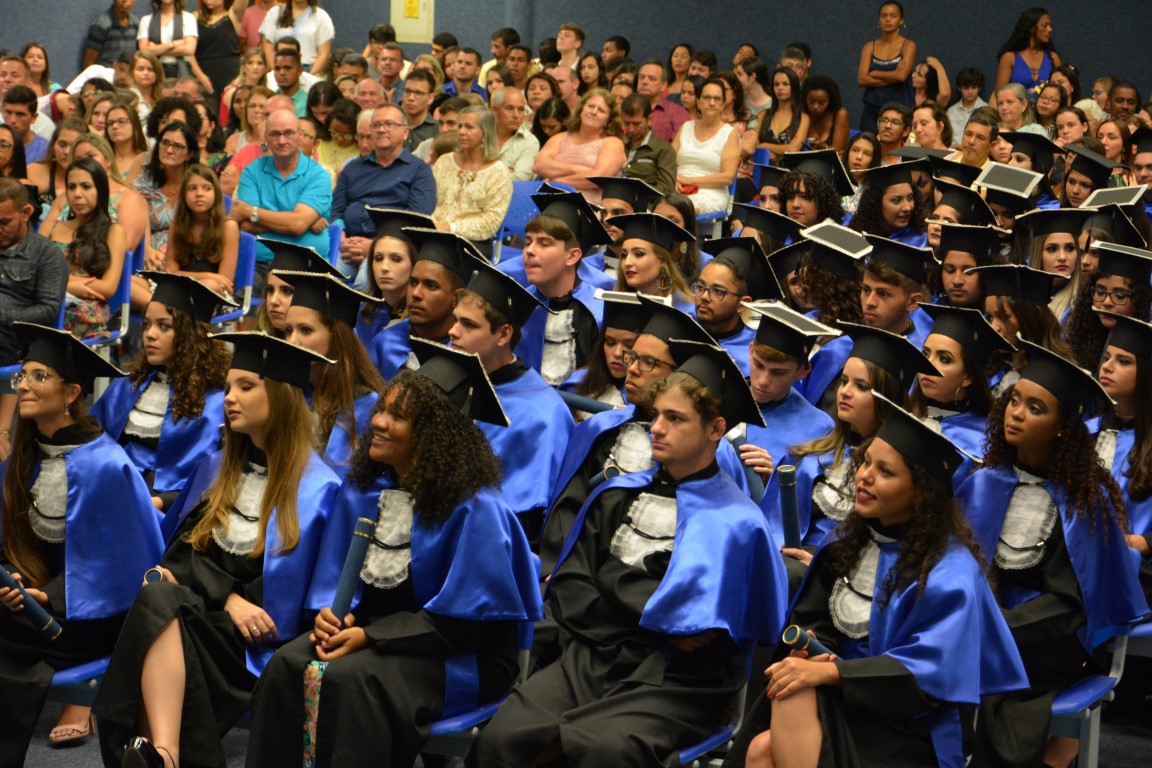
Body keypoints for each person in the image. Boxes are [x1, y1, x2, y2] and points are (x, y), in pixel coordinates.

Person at [471, 342, 787, 768]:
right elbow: (572, 584)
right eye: (657, 415)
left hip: (675, 680)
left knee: (605, 749)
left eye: (675, 419)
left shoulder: (738, 523)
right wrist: (650, 616)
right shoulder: (616, 493)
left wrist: (616, 589)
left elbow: (705, 635)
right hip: (592, 655)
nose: (657, 428)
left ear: (715, 429)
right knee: (502, 739)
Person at [246, 339, 541, 768]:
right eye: (381, 409)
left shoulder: (476, 509)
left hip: (460, 654)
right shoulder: (366, 491)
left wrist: (371, 637)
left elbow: (467, 621)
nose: (378, 422)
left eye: (397, 416)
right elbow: (338, 583)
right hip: (375, 636)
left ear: (434, 436)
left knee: (351, 679)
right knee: (286, 664)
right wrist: (336, 617)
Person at [727, 394, 1029, 768]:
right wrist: (813, 648)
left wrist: (833, 672)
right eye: (866, 461)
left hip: (909, 722)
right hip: (838, 694)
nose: (864, 476)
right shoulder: (849, 542)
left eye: (885, 472)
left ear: (921, 494)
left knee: (766, 745)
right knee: (773, 725)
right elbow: (814, 620)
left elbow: (924, 676)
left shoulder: (951, 574)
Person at [92, 331, 340, 768]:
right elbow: (179, 554)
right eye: (227, 387)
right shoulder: (216, 467)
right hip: (202, 619)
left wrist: (233, 604)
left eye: (246, 386)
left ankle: (158, 752)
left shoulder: (320, 490)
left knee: (157, 609)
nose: (229, 398)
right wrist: (228, 598)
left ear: (281, 397)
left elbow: (297, 602)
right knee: (158, 597)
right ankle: (165, 754)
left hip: (250, 648)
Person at [960, 339, 1147, 768]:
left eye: (1035, 408)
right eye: (1014, 401)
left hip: (1043, 640)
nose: (1016, 413)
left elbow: (1068, 603)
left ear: (1062, 427)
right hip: (978, 622)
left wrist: (994, 628)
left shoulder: (1085, 502)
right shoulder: (983, 482)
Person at [0, 324, 162, 761]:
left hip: (91, 616)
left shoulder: (106, 464)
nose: (23, 386)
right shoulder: (27, 456)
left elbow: (115, 568)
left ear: (71, 393)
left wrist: (47, 597)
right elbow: (10, 542)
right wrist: (14, 580)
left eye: (39, 376)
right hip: (33, 605)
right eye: (22, 375)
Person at [448, 252, 575, 540]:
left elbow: (524, 518)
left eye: (469, 324)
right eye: (455, 320)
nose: (452, 332)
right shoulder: (446, 380)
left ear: (504, 334)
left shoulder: (543, 414)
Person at [90, 273, 233, 510]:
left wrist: (161, 503)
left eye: (164, 326)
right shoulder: (129, 385)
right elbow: (93, 442)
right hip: (114, 484)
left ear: (191, 335)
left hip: (170, 505)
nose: (150, 334)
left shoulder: (216, 402)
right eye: (146, 324)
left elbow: (214, 479)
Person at [277, 270, 385, 478]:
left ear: (336, 337)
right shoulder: (291, 391)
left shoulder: (364, 404)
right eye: (288, 331)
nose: (292, 341)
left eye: (305, 330)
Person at [0, 179, 68, 458]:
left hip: (18, 335)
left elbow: (48, 310)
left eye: (4, 222)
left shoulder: (47, 255)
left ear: (26, 212)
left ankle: (2, 430)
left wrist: (5, 316)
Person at [231, 108, 331, 289]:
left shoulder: (318, 175)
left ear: (300, 136)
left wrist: (251, 212)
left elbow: (297, 225)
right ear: (266, 138)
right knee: (239, 299)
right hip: (260, 264)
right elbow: (246, 225)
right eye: (275, 134)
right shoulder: (252, 172)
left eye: (288, 133)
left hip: (307, 266)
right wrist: (299, 220)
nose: (282, 140)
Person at [1093, 314, 1152, 608]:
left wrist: (1143, 543)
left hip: (1140, 575)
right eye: (1106, 357)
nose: (1107, 366)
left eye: (1123, 361)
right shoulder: (1084, 433)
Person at [37, 158, 126, 340]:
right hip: (47, 300)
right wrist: (69, 285)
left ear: (100, 190)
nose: (77, 194)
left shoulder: (113, 232)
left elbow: (107, 287)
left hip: (86, 309)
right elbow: (32, 272)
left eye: (86, 187)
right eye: (71, 187)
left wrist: (57, 283)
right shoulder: (51, 227)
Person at [692, 236, 782, 375]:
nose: (704, 296)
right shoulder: (681, 333)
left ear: (743, 304)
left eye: (718, 291)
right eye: (700, 286)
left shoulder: (755, 357)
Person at [430, 105, 512, 257]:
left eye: (469, 127)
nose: (461, 131)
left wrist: (449, 228)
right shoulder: (444, 161)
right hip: (433, 233)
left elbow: (490, 222)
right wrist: (430, 225)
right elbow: (427, 200)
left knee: (433, 254)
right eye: (460, 126)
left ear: (485, 133)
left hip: (473, 241)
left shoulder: (499, 173)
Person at [1065, 239, 1152, 371]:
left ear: (1139, 301)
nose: (1106, 302)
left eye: (1119, 296)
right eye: (1100, 292)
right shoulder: (1076, 342)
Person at [533, 88, 626, 203]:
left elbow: (597, 178)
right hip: (552, 201)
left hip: (591, 206)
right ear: (581, 109)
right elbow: (539, 165)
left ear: (608, 120)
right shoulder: (560, 138)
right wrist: (578, 169)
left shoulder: (613, 143)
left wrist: (555, 182)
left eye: (601, 110)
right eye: (591, 106)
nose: (594, 112)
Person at [354, 207, 432, 344]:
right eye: (378, 258)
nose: (384, 267)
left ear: (414, 264)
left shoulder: (422, 323)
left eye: (396, 259)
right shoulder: (363, 313)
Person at [165, 163, 240, 296]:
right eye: (192, 188)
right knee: (132, 282)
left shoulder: (228, 226)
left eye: (207, 188)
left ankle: (165, 305)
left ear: (216, 193)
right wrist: (208, 276)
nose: (199, 194)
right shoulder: (177, 224)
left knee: (209, 285)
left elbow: (224, 282)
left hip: (215, 293)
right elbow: (170, 273)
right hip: (179, 287)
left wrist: (210, 279)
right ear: (184, 195)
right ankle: (163, 305)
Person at [135, 120, 200, 268]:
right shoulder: (146, 180)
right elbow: (139, 216)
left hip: (185, 254)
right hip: (148, 255)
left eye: (177, 146)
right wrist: (147, 249)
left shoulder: (197, 184)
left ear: (189, 154)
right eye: (165, 143)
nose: (169, 150)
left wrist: (166, 252)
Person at [675, 78, 739, 215]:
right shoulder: (685, 127)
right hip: (677, 188)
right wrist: (674, 180)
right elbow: (667, 162)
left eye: (717, 99)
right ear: (698, 102)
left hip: (710, 193)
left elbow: (727, 177)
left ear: (723, 104)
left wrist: (689, 181)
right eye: (706, 97)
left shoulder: (730, 134)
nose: (711, 103)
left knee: (679, 209)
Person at [610, 213, 695, 312]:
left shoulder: (685, 310)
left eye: (638, 254)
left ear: (662, 260)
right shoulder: (615, 305)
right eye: (624, 255)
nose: (627, 263)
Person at [857, 2, 917, 133]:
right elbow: (862, 79)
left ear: (901, 20)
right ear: (879, 19)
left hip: (900, 112)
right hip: (872, 111)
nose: (888, 19)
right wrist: (893, 76)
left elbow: (901, 76)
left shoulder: (908, 45)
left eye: (893, 16)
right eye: (884, 16)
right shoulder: (869, 46)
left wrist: (874, 73)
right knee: (867, 143)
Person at [849, 158, 930, 246]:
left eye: (910, 198)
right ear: (876, 203)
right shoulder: (856, 239)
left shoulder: (921, 242)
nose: (907, 207)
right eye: (896, 200)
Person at [619, 93, 677, 196]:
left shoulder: (663, 150)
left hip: (644, 202)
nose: (631, 129)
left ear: (649, 120)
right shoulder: (617, 143)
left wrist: (634, 193)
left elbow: (666, 189)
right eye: (626, 123)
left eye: (636, 124)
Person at [995, 7, 1062, 94]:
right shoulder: (1009, 57)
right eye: (1044, 26)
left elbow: (1062, 92)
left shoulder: (1053, 58)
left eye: (1049, 25)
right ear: (1032, 29)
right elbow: (1000, 93)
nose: (1050, 29)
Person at [258, 0, 334, 76]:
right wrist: (277, 72)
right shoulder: (274, 13)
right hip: (278, 69)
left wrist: (309, 77)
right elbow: (267, 49)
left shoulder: (321, 16)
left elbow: (324, 54)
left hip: (308, 69)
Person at [191, 0, 247, 101]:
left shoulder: (233, 14)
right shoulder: (194, 17)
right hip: (202, 72)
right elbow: (189, 52)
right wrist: (200, 76)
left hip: (231, 73)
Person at [137, 0, 200, 80]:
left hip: (181, 69)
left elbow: (189, 49)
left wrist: (156, 49)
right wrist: (171, 44)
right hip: (155, 69)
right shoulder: (146, 20)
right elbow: (143, 51)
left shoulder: (188, 18)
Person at [758, 67, 809, 160]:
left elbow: (793, 148)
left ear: (794, 87)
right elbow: (752, 144)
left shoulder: (803, 118)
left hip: (788, 167)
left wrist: (764, 146)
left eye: (785, 84)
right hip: (762, 165)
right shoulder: (762, 115)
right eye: (776, 84)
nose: (780, 88)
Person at [636, 60, 689, 144]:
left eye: (652, 79)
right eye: (641, 77)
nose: (644, 82)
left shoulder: (678, 113)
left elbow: (676, 148)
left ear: (663, 85)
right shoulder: (626, 107)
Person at [492, 87, 538, 182]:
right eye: (510, 108)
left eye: (521, 109)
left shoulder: (530, 141)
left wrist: (483, 171)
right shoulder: (480, 134)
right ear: (495, 110)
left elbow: (520, 179)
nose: (516, 115)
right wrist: (506, 171)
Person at [84, 0, 142, 69]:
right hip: (106, 74)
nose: (125, 0)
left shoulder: (135, 23)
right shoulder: (101, 25)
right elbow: (88, 63)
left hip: (128, 73)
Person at [804, 75, 850, 153]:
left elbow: (838, 150)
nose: (815, 106)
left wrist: (823, 146)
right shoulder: (803, 113)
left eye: (821, 103)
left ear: (830, 101)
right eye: (811, 102)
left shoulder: (839, 114)